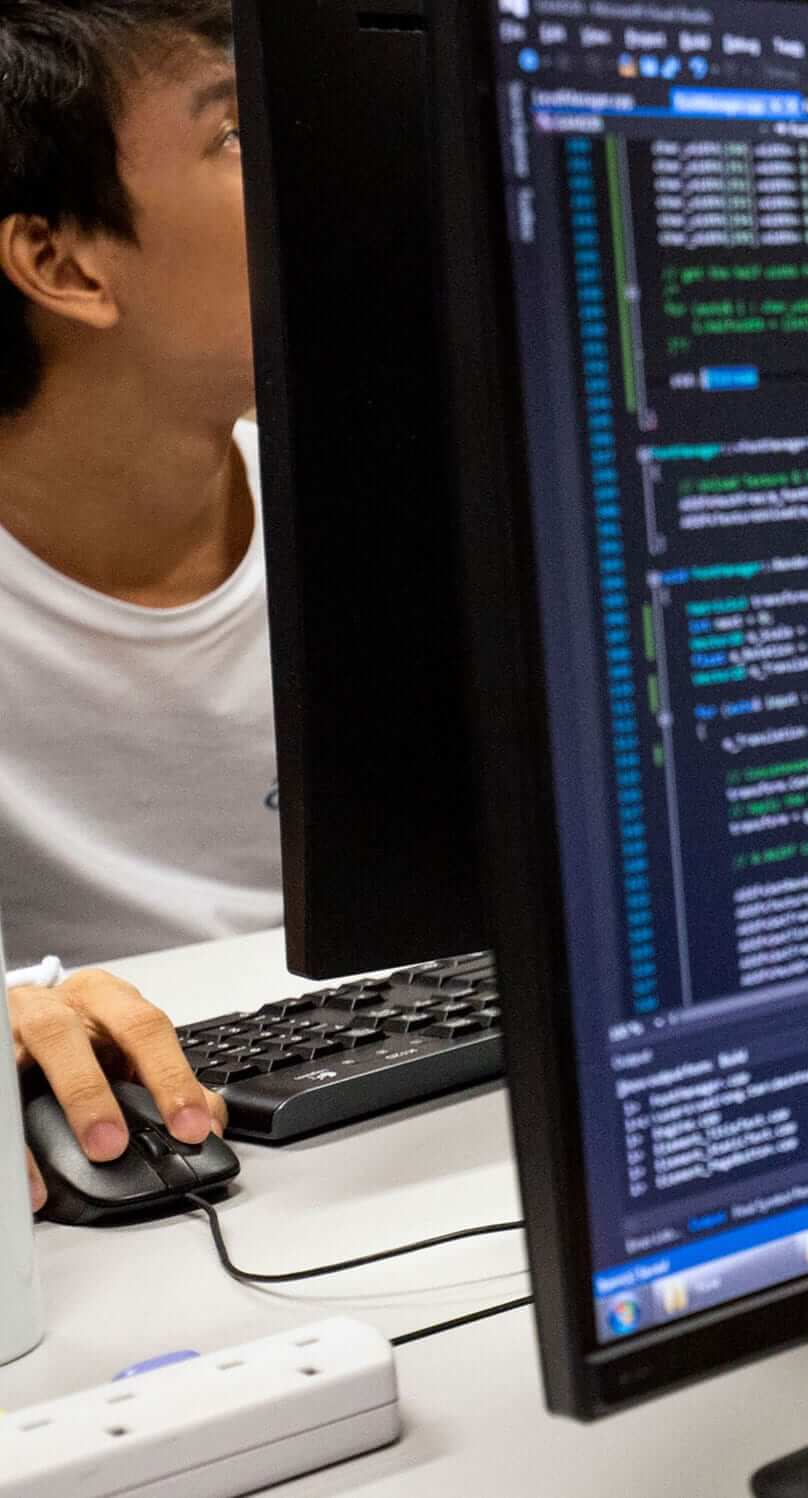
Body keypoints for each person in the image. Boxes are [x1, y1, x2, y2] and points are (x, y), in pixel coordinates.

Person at [2, 0, 256, 1206]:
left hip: (423, 1127)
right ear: (62, 264)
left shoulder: (418, 499)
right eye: (235, 137)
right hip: (128, 1196)